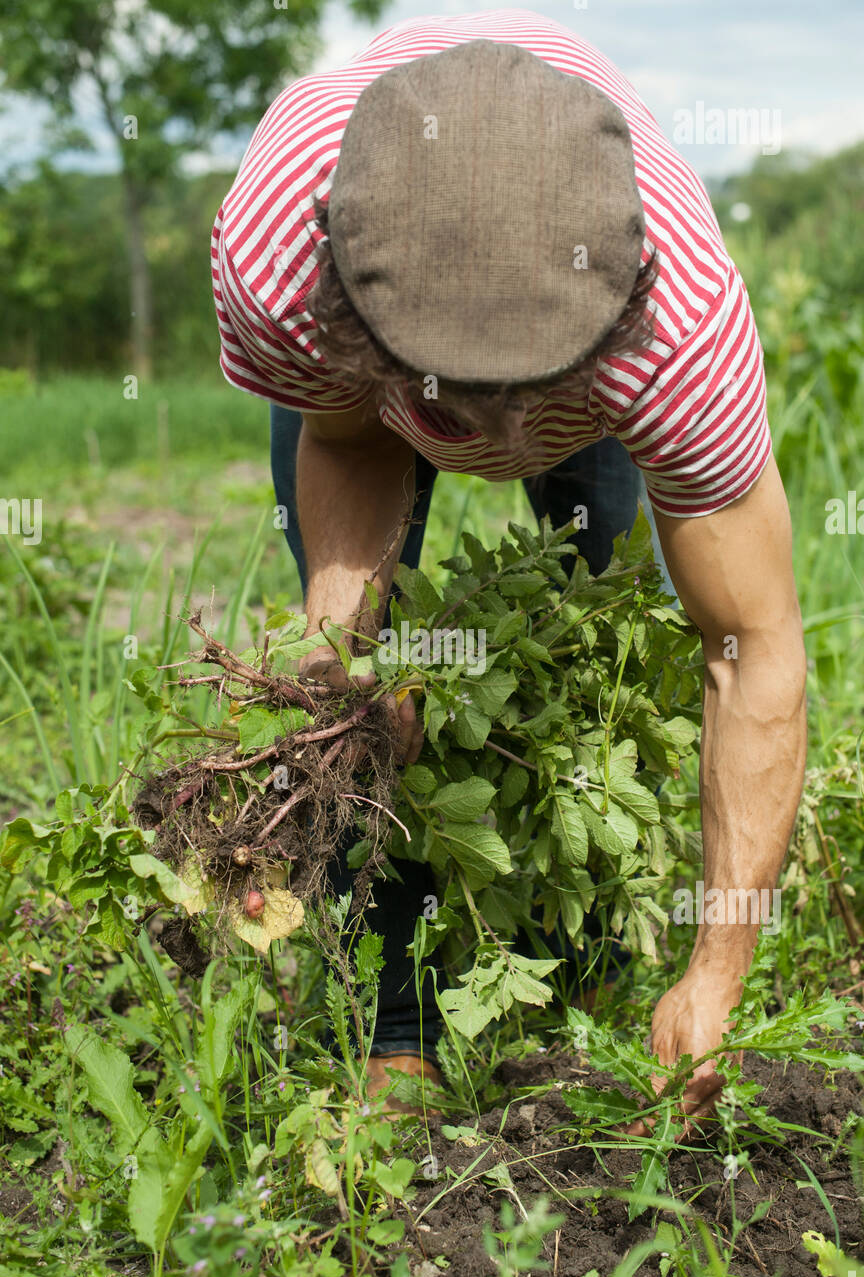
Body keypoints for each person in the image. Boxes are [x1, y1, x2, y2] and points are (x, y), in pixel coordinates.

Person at [211, 12, 806, 1122]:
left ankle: (578, 961)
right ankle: (398, 1028)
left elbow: (749, 649)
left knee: (590, 611)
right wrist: (341, 666)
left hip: (582, 351)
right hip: (365, 381)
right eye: (456, 399)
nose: (487, 438)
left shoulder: (682, 335)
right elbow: (342, 438)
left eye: (526, 400)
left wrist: (719, 975)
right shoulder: (278, 260)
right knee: (356, 700)